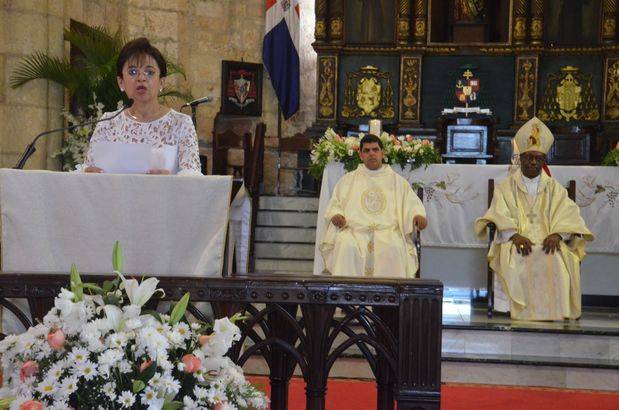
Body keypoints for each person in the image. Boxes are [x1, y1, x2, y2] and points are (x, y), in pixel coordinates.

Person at [475, 117, 593, 321]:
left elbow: (568, 213)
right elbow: (498, 213)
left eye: (537, 158)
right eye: (528, 157)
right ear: (520, 159)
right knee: (515, 256)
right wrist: (513, 235)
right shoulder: (505, 188)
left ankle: (554, 309)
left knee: (557, 257)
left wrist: (557, 234)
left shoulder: (555, 188)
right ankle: (518, 309)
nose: (532, 162)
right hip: (516, 241)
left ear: (543, 161)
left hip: (549, 241)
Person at [77, 37, 201, 175]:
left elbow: (193, 180)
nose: (141, 78)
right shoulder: (108, 123)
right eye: (132, 72)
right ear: (121, 82)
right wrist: (88, 173)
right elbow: (88, 171)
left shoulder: (181, 124)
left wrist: (169, 180)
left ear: (161, 82)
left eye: (149, 72)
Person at [319, 134, 427, 277]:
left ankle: (391, 296)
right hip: (353, 232)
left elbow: (411, 203)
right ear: (360, 155)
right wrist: (336, 214)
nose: (371, 154)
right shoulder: (347, 180)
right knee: (345, 244)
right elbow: (335, 203)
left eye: (375, 149)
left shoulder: (397, 181)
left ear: (382, 153)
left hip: (388, 233)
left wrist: (417, 215)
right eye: (367, 150)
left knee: (395, 246)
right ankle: (348, 295)